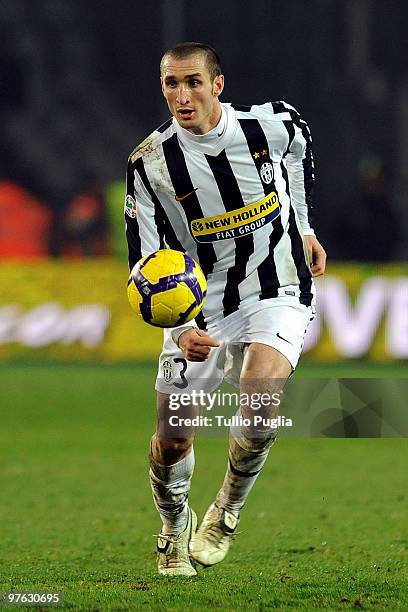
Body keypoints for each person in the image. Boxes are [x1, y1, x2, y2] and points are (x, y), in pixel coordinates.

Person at [125, 42, 326, 576]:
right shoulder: (150, 164)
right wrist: (183, 324)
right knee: (172, 438)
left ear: (217, 85)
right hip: (201, 301)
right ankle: (172, 529)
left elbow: (300, 153)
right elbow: (143, 262)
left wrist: (303, 226)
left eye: (193, 82)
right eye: (171, 83)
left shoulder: (272, 125)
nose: (181, 95)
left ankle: (225, 513)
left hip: (277, 283)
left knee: (261, 395)